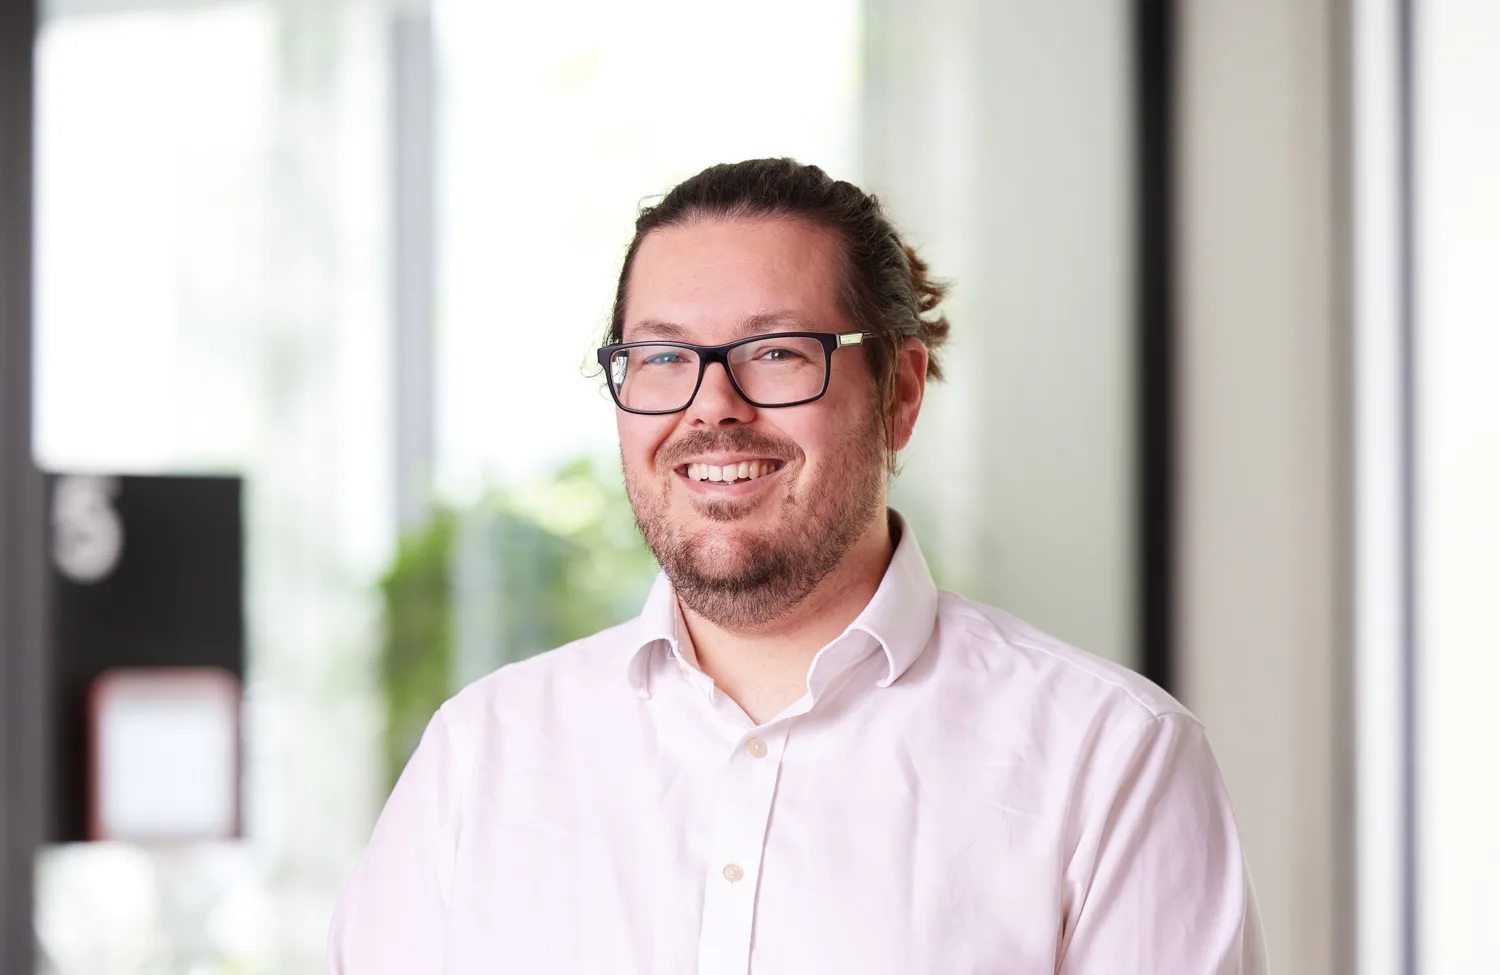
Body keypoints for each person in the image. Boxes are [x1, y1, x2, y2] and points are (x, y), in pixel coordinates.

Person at [327, 158, 1267, 974]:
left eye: (775, 352)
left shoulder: (1109, 761)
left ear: (897, 395)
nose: (712, 407)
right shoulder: (481, 757)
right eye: (662, 357)